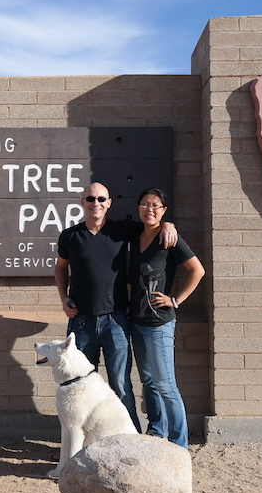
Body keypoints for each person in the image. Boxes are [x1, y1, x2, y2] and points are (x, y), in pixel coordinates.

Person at [54, 182, 176, 431]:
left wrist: (168, 224)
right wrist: (63, 298)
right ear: (83, 202)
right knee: (79, 386)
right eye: (90, 199)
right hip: (81, 322)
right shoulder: (70, 236)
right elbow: (60, 267)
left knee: (120, 385)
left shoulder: (122, 230)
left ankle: (130, 437)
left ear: (109, 203)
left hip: (116, 322)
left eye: (101, 199)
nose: (95, 203)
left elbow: (150, 222)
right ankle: (83, 441)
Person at [128, 187, 205, 448]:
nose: (150, 209)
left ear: (163, 210)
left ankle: (179, 443)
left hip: (159, 324)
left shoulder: (168, 238)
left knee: (166, 385)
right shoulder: (134, 237)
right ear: (138, 207)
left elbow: (198, 270)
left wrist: (176, 300)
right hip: (136, 322)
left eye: (156, 205)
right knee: (148, 381)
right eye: (145, 204)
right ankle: (157, 431)